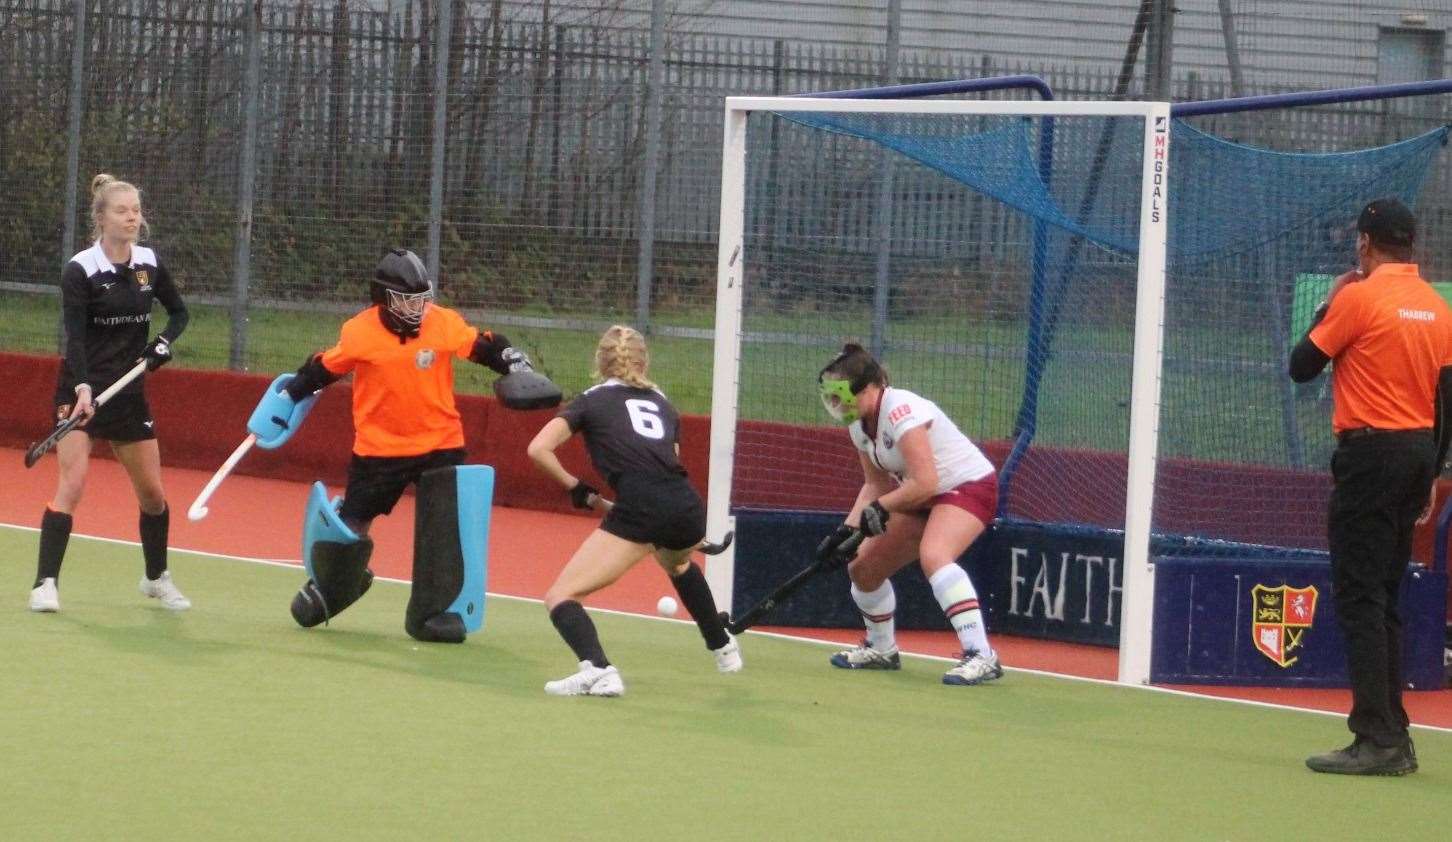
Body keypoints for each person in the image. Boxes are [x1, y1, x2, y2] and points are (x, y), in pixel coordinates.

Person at [275, 248, 548, 608]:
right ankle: (337, 584)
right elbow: (326, 367)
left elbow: (482, 346)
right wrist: (291, 392)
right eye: (406, 301)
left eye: (421, 300)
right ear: (383, 300)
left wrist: (512, 362)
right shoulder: (359, 332)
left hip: (441, 443)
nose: (417, 309)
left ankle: (444, 604)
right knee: (352, 523)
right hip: (379, 449)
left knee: (447, 528)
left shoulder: (443, 322)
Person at [1290, 198, 1452, 776]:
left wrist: (1329, 301)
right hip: (1415, 456)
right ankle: (1395, 735)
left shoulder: (1356, 297)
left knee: (1359, 596)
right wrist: (1435, 471)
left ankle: (1377, 738)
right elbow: (1446, 399)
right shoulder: (1436, 306)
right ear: (1411, 244)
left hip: (1370, 456)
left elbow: (1302, 365)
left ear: (1364, 243)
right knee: (1384, 597)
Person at [527, 325, 741, 697]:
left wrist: (576, 488)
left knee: (560, 596)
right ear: (645, 361)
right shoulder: (663, 403)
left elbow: (538, 449)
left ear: (600, 361)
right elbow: (667, 465)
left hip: (643, 508)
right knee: (676, 563)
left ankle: (598, 669)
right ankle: (722, 646)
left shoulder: (590, 401)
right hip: (687, 505)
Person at [29, 175, 190, 613]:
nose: (132, 217)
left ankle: (156, 578)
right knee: (73, 484)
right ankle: (45, 584)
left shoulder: (149, 264)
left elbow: (179, 314)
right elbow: (75, 339)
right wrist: (82, 388)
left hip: (128, 391)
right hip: (80, 389)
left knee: (153, 495)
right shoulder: (80, 269)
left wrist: (162, 343)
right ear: (101, 218)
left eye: (136, 210)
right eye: (122, 211)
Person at [816, 343, 1003, 686]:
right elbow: (875, 486)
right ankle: (882, 649)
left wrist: (882, 509)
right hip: (921, 496)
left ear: (869, 387)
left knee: (934, 555)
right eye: (832, 397)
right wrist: (844, 533)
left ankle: (981, 654)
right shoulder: (858, 425)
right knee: (862, 567)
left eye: (841, 395)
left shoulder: (902, 411)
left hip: (967, 487)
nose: (838, 405)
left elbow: (927, 482)